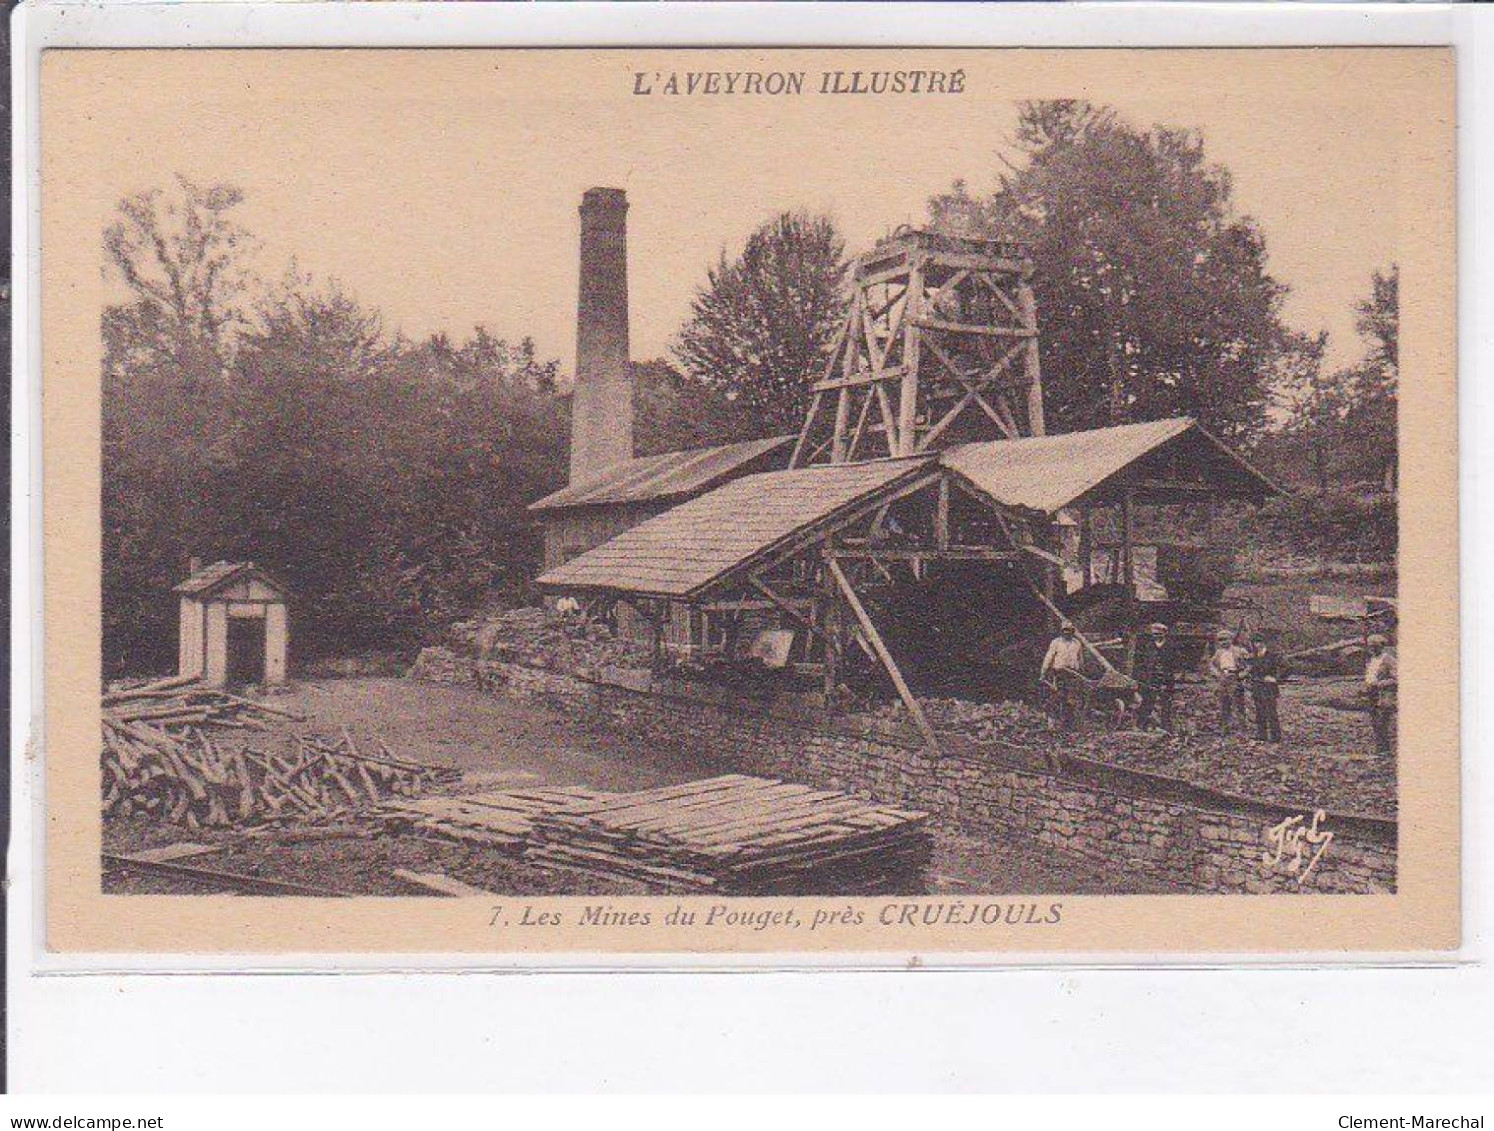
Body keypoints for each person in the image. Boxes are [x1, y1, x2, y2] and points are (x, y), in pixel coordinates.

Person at [1039, 620, 1087, 732]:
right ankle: (1052, 723)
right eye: (1065, 630)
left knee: (1070, 699)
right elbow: (1049, 657)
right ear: (1061, 631)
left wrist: (1082, 672)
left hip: (1073, 674)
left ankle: (1067, 725)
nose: (1067, 633)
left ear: (1072, 631)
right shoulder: (1056, 642)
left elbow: (1080, 659)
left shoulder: (1077, 643)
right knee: (1056, 697)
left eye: (1069, 630)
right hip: (1059, 673)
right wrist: (1043, 672)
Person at [1134, 622, 1178, 732]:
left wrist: (1173, 674)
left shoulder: (1171, 646)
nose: (1156, 636)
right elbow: (1143, 662)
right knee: (1147, 700)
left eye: (1159, 633)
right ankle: (1141, 725)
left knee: (1166, 702)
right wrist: (1143, 675)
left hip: (1166, 678)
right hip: (1151, 677)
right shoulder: (1149, 646)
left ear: (1164, 633)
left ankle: (1166, 726)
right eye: (1154, 634)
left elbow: (1176, 662)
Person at [1206, 628, 1247, 734]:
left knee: (1238, 704)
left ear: (1231, 639)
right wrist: (1217, 674)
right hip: (1223, 679)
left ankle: (1242, 729)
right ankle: (1225, 728)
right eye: (1220, 640)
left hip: (1235, 677)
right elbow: (1211, 664)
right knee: (1224, 704)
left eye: (1226, 639)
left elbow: (1250, 664)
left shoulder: (1240, 651)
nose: (1223, 642)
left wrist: (1243, 674)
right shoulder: (1218, 653)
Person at [1247, 632, 1285, 743]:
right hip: (1257, 686)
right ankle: (1261, 734)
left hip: (1269, 687)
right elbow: (1251, 670)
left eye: (1259, 642)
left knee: (1271, 712)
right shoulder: (1254, 657)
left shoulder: (1272, 656)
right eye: (1255, 642)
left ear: (1264, 643)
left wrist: (1276, 678)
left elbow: (1286, 667)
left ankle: (1275, 736)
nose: (1257, 645)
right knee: (1259, 712)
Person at [1363, 633, 1398, 754]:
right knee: (1374, 723)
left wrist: (1381, 684)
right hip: (1372, 693)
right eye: (1370, 646)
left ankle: (1384, 750)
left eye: (1375, 646)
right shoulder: (1372, 660)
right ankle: (1380, 749)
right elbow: (1370, 676)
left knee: (1382, 722)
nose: (1372, 649)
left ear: (1381, 646)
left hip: (1384, 694)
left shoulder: (1389, 660)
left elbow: (1396, 678)